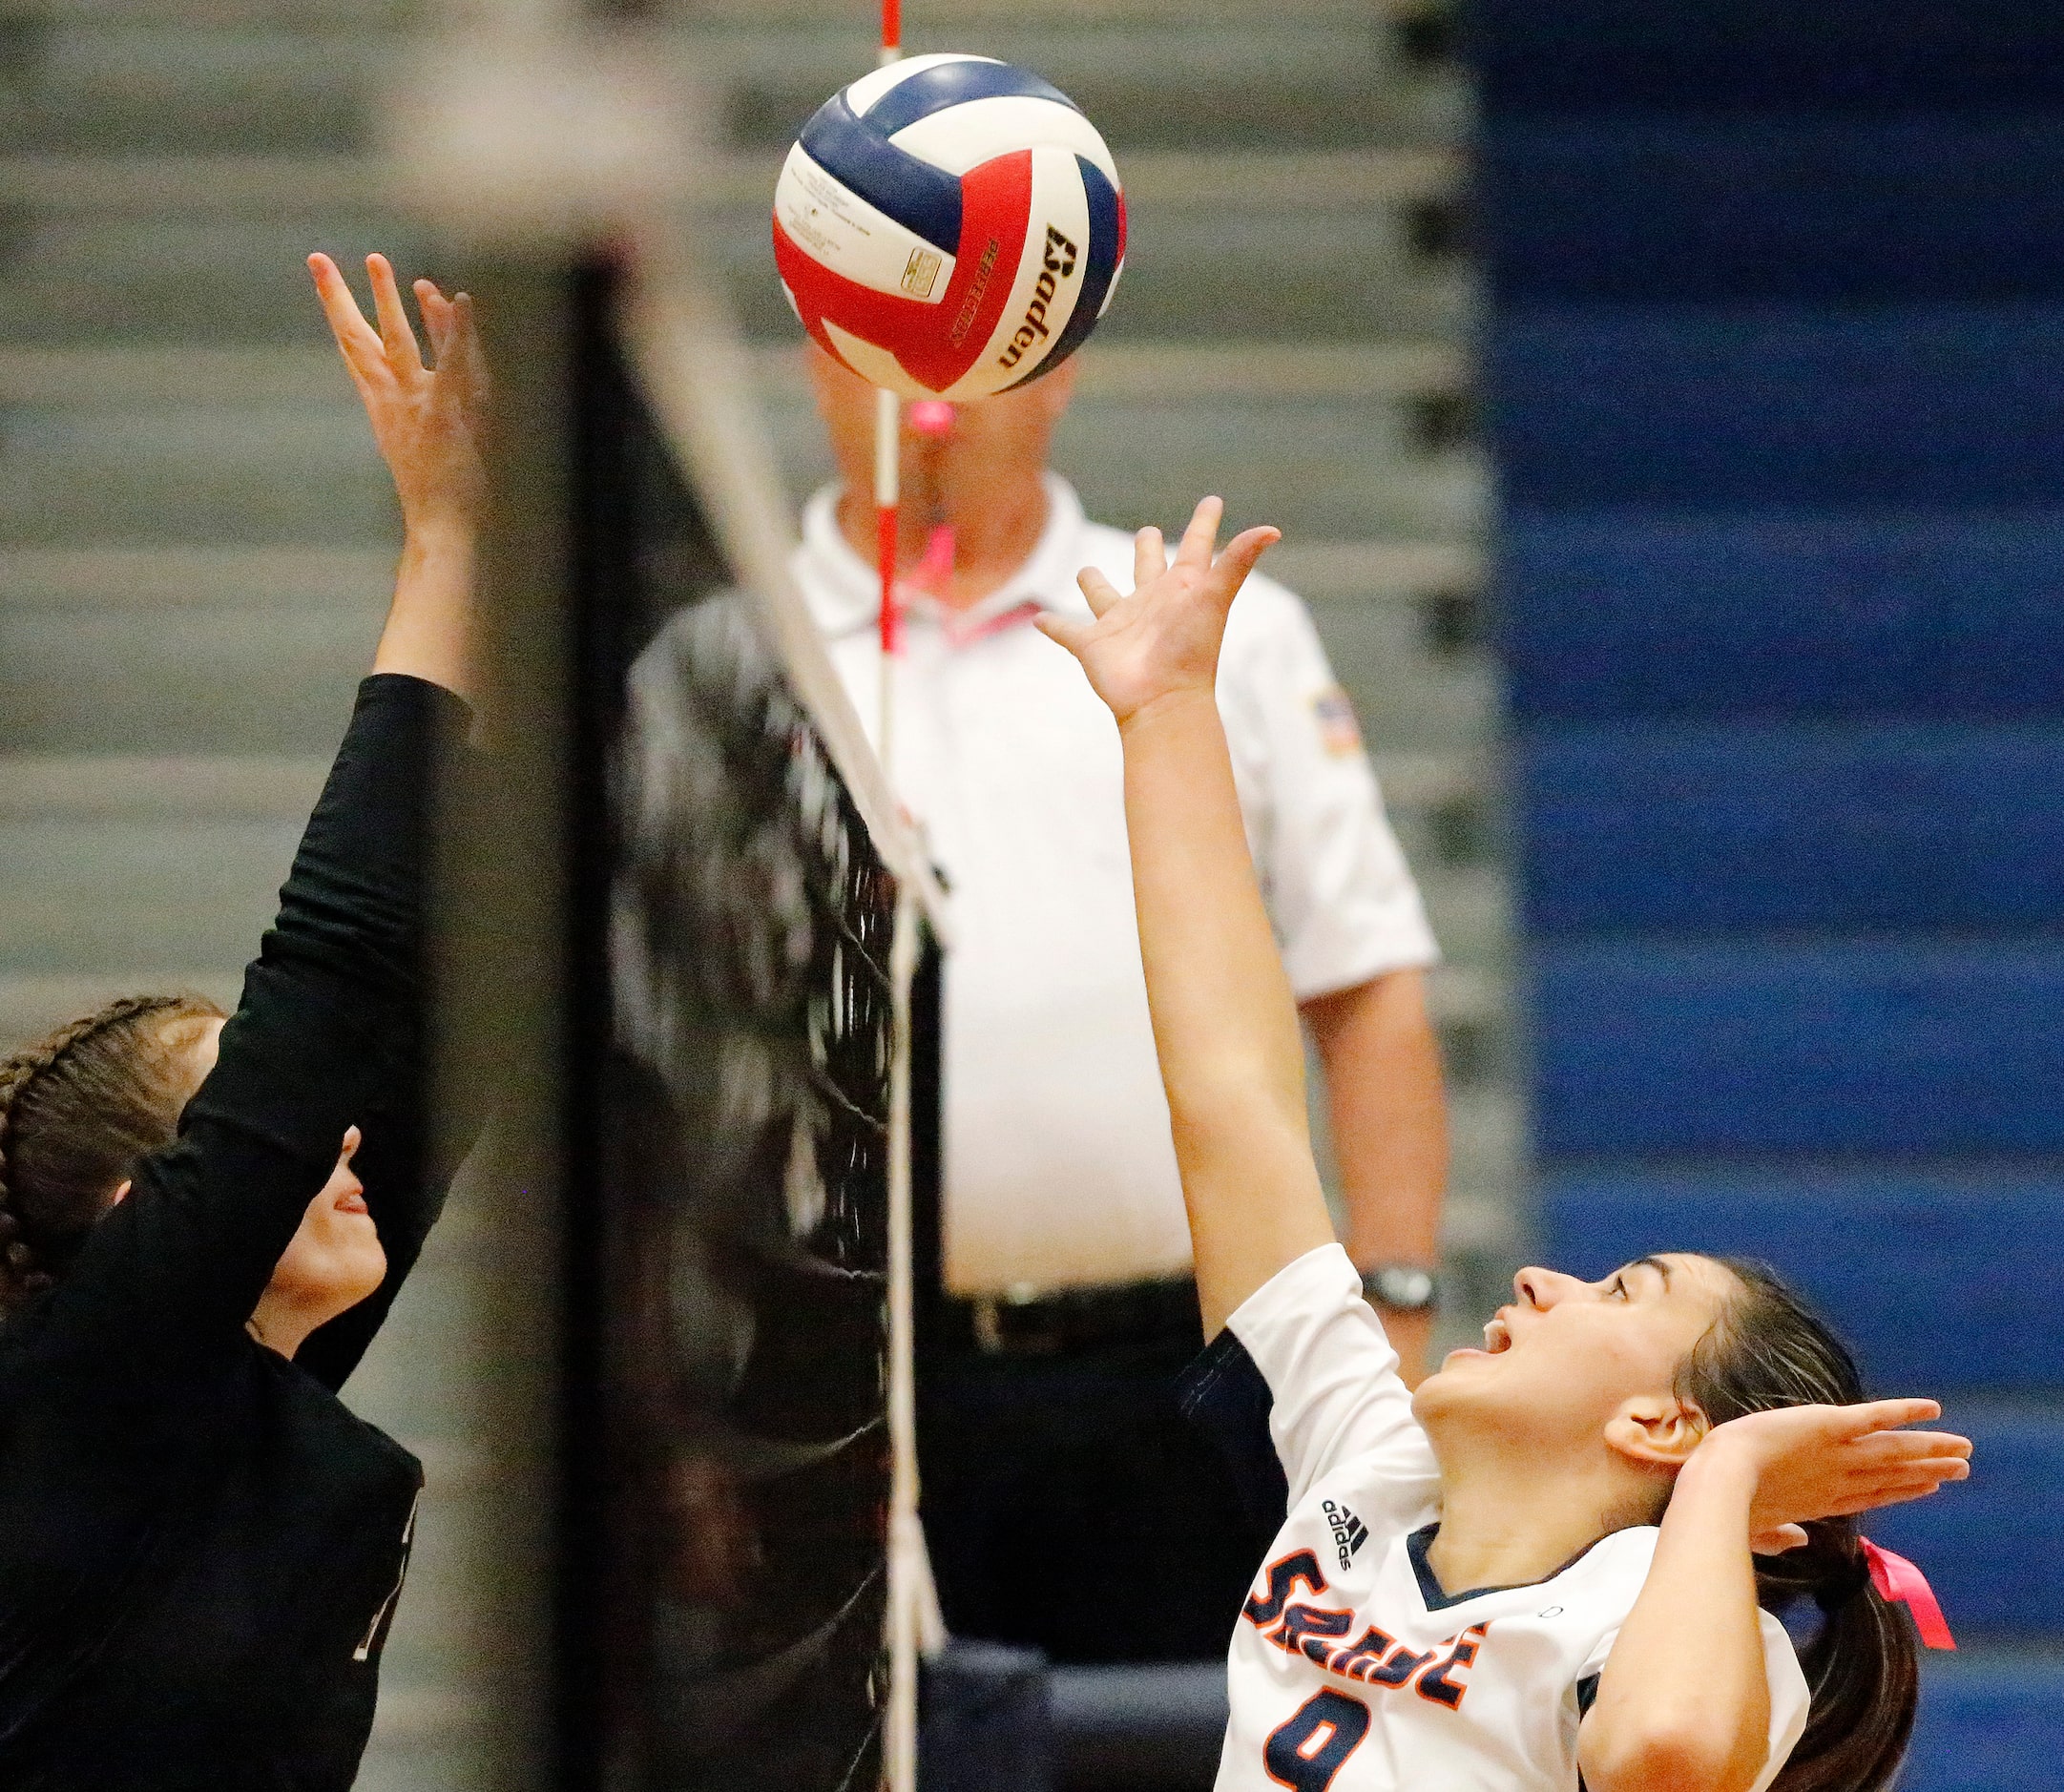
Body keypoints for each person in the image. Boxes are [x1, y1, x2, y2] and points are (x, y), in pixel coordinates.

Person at [1040, 497, 1972, 1791]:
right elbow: (1235, 1099)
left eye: (1620, 1289)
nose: (1540, 1279)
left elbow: (1661, 1755)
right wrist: (1165, 714)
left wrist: (1733, 1474)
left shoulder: (1673, 1623)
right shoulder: (1365, 1462)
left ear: (1662, 1422)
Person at [789, 344, 1449, 1660]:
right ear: (822, 355)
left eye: (972, 340)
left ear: (1055, 365)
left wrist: (1397, 1324)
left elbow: (1366, 985)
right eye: (886, 332)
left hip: (1185, 1366)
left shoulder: (1217, 628)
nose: (930, 390)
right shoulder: (741, 636)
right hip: (843, 1376)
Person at [0, 251, 483, 1788]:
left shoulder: (232, 1407)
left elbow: (439, 1019)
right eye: (252, 1113)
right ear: (160, 1217)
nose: (333, 1134)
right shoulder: (79, 1418)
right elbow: (332, 981)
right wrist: (442, 546)